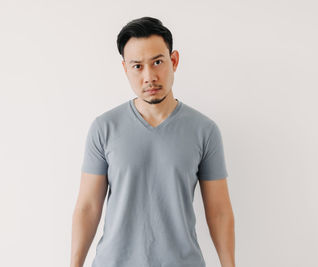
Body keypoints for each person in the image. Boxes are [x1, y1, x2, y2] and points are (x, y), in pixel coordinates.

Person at [70, 16, 235, 267]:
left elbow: (220, 212)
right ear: (126, 69)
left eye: (157, 62)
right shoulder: (104, 128)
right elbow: (88, 207)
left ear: (174, 61)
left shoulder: (204, 130)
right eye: (137, 66)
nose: (149, 76)